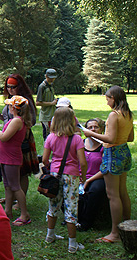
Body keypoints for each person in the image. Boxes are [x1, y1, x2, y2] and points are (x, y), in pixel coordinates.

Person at [82, 86, 134, 243]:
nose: (107, 102)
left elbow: (110, 139)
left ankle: (115, 233)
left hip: (112, 154)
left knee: (113, 195)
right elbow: (130, 138)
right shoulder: (128, 114)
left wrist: (90, 133)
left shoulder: (114, 115)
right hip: (124, 152)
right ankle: (126, 224)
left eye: (108, 99)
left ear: (115, 98)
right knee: (122, 191)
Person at [42, 107, 87, 253]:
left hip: (55, 175)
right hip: (72, 177)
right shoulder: (77, 139)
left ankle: (50, 235)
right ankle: (72, 244)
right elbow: (83, 162)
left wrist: (52, 167)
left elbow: (44, 159)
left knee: (53, 206)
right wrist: (83, 176)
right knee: (71, 209)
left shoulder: (51, 137)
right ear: (72, 121)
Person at [0, 95, 32, 226]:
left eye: (8, 106)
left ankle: (25, 215)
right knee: (7, 185)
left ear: (13, 107)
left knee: (15, 186)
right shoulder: (15, 120)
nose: (7, 108)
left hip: (11, 158)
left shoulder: (17, 121)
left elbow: (3, 137)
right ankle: (7, 211)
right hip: (5, 156)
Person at [0, 74, 39, 198]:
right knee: (11, 173)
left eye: (13, 87)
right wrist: (1, 117)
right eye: (8, 86)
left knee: (22, 172)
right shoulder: (11, 99)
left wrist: (16, 125)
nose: (10, 89)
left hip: (22, 139)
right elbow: (7, 118)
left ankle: (20, 198)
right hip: (10, 139)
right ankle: (11, 197)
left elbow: (31, 121)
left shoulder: (24, 101)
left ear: (19, 86)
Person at [78, 118, 108, 231]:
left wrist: (88, 181)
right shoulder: (80, 142)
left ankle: (86, 222)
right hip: (79, 176)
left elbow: (105, 169)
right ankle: (73, 218)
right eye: (89, 127)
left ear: (101, 129)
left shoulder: (105, 146)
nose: (93, 129)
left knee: (95, 190)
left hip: (97, 177)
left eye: (96, 127)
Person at [36, 68, 58, 141]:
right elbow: (38, 102)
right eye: (50, 78)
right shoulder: (42, 86)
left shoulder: (51, 85)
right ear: (46, 76)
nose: (51, 80)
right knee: (47, 136)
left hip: (52, 114)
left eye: (53, 78)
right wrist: (51, 103)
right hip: (45, 116)